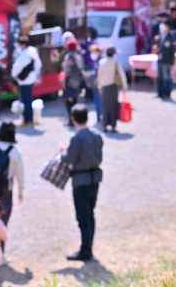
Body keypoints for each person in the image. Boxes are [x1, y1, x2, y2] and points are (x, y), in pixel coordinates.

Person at [62, 104, 103, 262]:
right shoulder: (97, 135)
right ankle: (88, 246)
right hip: (95, 178)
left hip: (81, 181)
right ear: (87, 117)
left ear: (73, 120)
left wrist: (63, 152)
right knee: (90, 214)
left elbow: (69, 159)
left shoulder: (77, 138)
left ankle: (86, 250)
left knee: (82, 217)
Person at [12, 36, 42, 127]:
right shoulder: (31, 52)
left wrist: (14, 75)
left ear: (23, 45)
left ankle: (27, 120)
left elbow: (17, 68)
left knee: (26, 101)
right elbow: (38, 65)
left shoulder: (26, 53)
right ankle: (29, 120)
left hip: (24, 80)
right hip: (29, 79)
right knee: (27, 100)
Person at [97, 46, 128, 132]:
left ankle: (104, 125)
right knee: (113, 106)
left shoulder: (102, 62)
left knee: (105, 106)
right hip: (113, 86)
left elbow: (100, 75)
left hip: (105, 87)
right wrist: (125, 86)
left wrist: (99, 86)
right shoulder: (116, 62)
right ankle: (113, 126)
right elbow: (122, 74)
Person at [62, 39, 84, 127]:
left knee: (68, 101)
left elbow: (66, 70)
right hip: (76, 81)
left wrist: (63, 81)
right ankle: (76, 118)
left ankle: (70, 119)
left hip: (68, 81)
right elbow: (81, 68)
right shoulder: (78, 57)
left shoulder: (68, 57)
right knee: (75, 100)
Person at [156, 20, 176, 99]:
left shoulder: (171, 37)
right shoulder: (161, 35)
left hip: (166, 60)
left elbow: (172, 51)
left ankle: (167, 94)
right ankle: (160, 93)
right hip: (160, 59)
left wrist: (172, 63)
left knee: (166, 78)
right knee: (160, 77)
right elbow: (160, 47)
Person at [86, 44, 103, 125]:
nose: (92, 54)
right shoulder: (97, 61)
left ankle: (100, 120)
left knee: (99, 103)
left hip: (98, 86)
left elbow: (98, 73)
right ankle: (99, 120)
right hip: (97, 86)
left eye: (93, 52)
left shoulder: (100, 61)